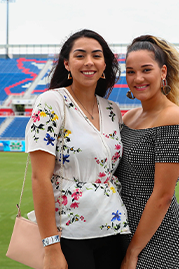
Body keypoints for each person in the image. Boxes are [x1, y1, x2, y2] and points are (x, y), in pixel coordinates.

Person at [25, 29, 130, 269]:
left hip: (114, 227)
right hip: (69, 233)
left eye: (96, 55)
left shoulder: (112, 110)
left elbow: (114, 167)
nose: (89, 62)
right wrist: (51, 247)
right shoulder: (51, 102)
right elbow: (40, 177)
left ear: (105, 65)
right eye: (80, 55)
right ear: (67, 64)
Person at [116, 35, 179, 269]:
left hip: (160, 238)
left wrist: (132, 253)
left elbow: (163, 196)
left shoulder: (172, 118)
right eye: (130, 71)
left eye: (146, 70)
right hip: (126, 228)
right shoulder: (129, 117)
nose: (137, 78)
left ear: (162, 72)